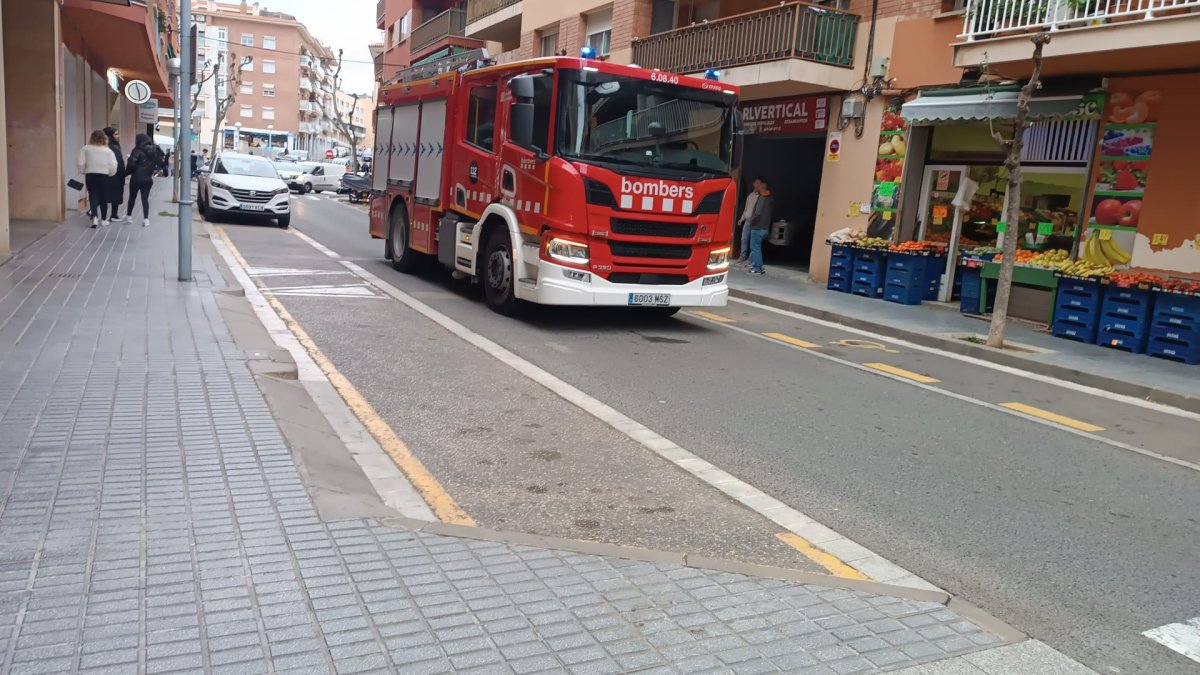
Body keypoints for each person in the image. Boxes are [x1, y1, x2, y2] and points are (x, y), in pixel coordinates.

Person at [77, 130, 117, 228]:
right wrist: (111, 174)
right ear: (104, 139)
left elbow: (80, 163)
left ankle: (94, 217)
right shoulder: (108, 151)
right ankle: (103, 219)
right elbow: (113, 165)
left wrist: (83, 171)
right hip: (104, 176)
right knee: (104, 197)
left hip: (90, 175)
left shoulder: (85, 149)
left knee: (93, 196)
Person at [122, 133, 157, 227]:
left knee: (132, 197)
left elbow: (131, 164)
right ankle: (146, 219)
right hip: (148, 179)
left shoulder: (137, 150)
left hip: (136, 178)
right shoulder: (154, 150)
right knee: (145, 199)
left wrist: (125, 174)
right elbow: (158, 163)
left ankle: (129, 216)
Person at [747, 180, 773, 276]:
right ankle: (760, 267)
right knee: (757, 248)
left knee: (755, 248)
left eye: (759, 187)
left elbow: (757, 213)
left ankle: (757, 268)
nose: (757, 188)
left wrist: (751, 220)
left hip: (757, 228)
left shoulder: (762, 198)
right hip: (765, 228)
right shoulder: (769, 199)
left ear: (762, 188)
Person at [736, 177, 763, 265]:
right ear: (753, 184)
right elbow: (746, 209)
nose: (757, 185)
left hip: (755, 222)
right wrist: (741, 219)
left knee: (753, 241)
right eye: (756, 183)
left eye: (759, 183)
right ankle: (742, 256)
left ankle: (750, 258)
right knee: (744, 238)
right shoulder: (750, 196)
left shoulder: (761, 197)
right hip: (747, 220)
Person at [103, 127, 126, 219]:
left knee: (105, 194)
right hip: (115, 174)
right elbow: (118, 162)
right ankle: (113, 215)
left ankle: (93, 211)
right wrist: (123, 173)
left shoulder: (104, 145)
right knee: (115, 194)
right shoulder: (114, 146)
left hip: (106, 173)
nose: (118, 136)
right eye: (116, 134)